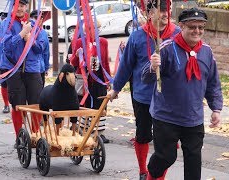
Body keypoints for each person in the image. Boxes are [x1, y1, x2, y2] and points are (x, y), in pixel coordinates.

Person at [142, 8, 223, 180]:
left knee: (194, 164)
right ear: (181, 26)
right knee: (166, 157)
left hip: (193, 118)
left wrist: (216, 109)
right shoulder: (166, 48)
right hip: (166, 117)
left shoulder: (207, 52)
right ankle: (149, 175)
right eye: (192, 27)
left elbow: (213, 83)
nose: (197, 31)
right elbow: (146, 78)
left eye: (201, 27)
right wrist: (152, 67)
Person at [107, 0, 180, 179]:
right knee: (143, 135)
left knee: (165, 141)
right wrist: (115, 88)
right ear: (149, 14)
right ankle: (142, 171)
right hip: (143, 96)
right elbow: (126, 66)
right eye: (160, 10)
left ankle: (158, 176)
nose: (164, 14)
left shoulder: (177, 34)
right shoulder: (137, 36)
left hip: (169, 99)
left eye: (167, 10)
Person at [2, 0, 45, 136]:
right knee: (17, 105)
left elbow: (40, 49)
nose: (19, 8)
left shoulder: (35, 25)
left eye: (21, 5)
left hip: (32, 70)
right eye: (16, 6)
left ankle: (35, 135)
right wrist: (21, 34)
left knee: (36, 104)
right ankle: (19, 137)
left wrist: (29, 38)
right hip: (14, 70)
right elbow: (6, 46)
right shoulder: (7, 24)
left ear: (26, 7)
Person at [70, 21, 111, 143]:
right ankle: (83, 130)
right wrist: (77, 55)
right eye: (92, 28)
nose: (95, 31)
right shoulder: (79, 42)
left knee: (101, 103)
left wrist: (108, 80)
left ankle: (99, 132)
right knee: (85, 103)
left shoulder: (103, 42)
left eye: (97, 28)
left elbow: (105, 62)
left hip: (99, 77)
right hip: (85, 77)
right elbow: (73, 62)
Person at [30, 10, 50, 87]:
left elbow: (46, 52)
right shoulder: (42, 33)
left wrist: (46, 67)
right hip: (38, 68)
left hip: (28, 68)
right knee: (38, 94)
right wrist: (46, 67)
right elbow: (45, 52)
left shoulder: (24, 28)